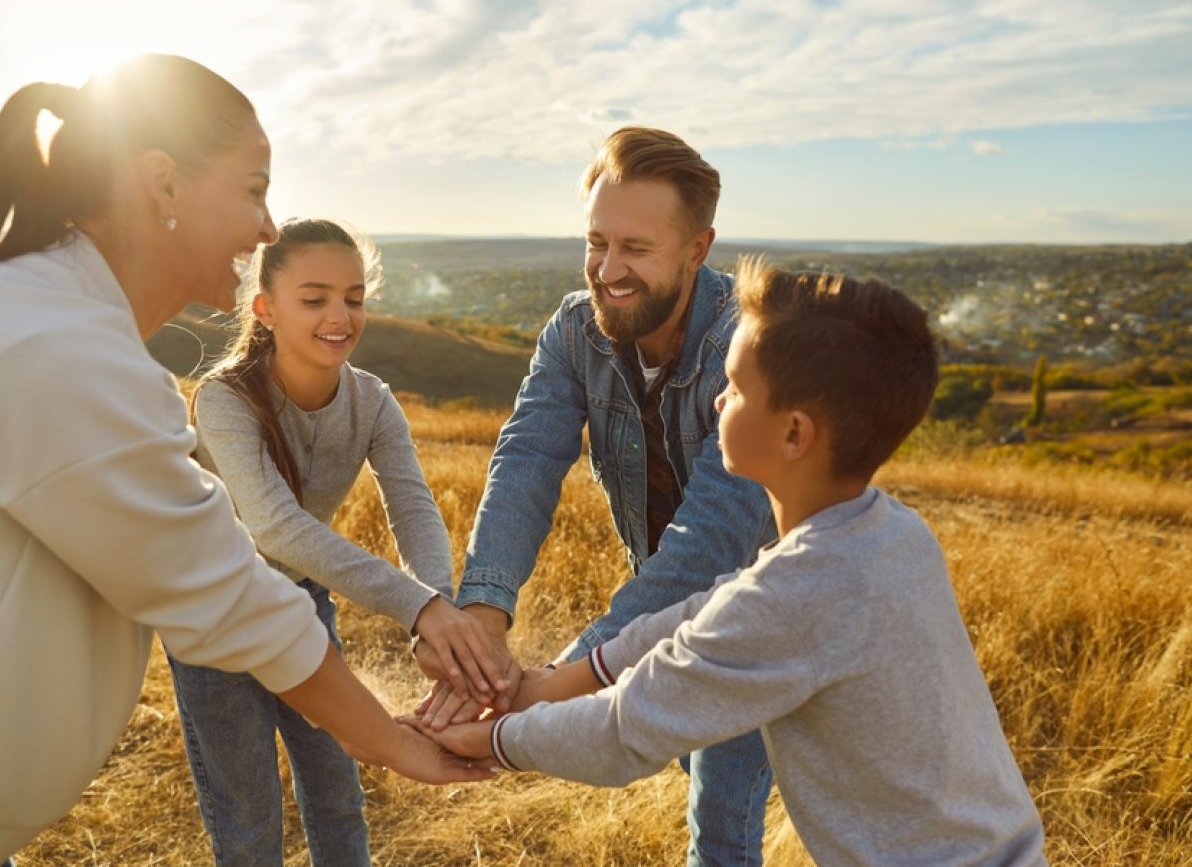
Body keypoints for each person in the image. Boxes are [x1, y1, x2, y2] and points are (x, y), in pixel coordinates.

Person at [0, 55, 491, 867]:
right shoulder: (62, 351)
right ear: (163, 187)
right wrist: (399, 743)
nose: (267, 228)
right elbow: (230, 589)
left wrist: (430, 610)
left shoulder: (40, 316)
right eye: (254, 188)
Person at [415, 259, 1049, 866]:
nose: (718, 401)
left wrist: (491, 740)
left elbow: (624, 735)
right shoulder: (887, 532)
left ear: (794, 435)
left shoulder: (794, 599)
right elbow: (715, 604)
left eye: (737, 389)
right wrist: (562, 680)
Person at [419, 127, 778, 865]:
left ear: (696, 248)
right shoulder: (575, 330)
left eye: (635, 249)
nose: (607, 269)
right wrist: (483, 622)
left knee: (723, 820)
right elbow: (527, 458)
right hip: (664, 613)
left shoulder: (747, 349)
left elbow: (711, 540)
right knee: (695, 773)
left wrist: (561, 679)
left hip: (757, 618)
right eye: (595, 242)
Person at [170, 218, 504, 865]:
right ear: (265, 309)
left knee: (337, 792)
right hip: (213, 620)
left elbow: (411, 504)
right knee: (248, 821)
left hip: (301, 607)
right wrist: (416, 605)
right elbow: (273, 524)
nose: (340, 315)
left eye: (353, 297)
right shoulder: (223, 399)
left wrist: (436, 608)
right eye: (315, 297)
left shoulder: (373, 401)